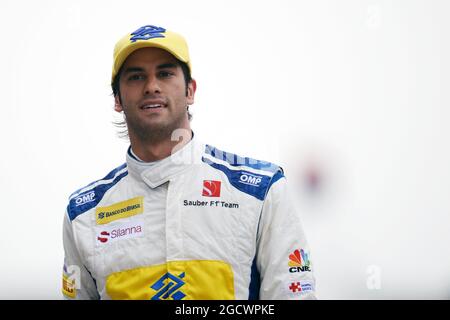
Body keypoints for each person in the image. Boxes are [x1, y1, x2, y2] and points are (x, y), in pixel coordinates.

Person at [62, 24, 316, 300]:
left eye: (165, 73)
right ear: (117, 100)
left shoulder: (259, 191)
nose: (152, 86)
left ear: (190, 91)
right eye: (136, 77)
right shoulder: (83, 214)